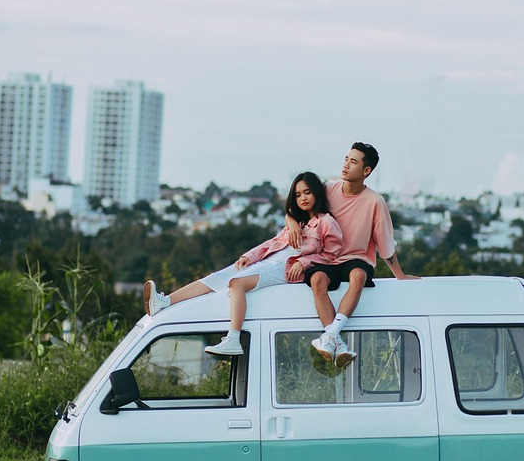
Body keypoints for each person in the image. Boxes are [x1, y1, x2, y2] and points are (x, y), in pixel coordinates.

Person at [143, 172, 343, 356]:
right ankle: (165, 302)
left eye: (307, 193)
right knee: (216, 277)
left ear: (317, 193)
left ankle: (233, 338)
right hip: (268, 260)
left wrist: (304, 262)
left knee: (236, 283)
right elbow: (273, 243)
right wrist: (250, 256)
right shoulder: (296, 222)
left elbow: (331, 255)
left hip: (286, 268)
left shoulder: (327, 222)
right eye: (298, 195)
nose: (303, 198)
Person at [289, 142, 418, 368]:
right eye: (346, 159)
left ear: (366, 170)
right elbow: (294, 208)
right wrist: (291, 224)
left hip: (356, 259)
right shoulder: (328, 190)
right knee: (317, 280)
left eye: (353, 162)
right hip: (326, 257)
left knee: (358, 275)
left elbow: (385, 243)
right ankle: (335, 341)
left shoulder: (375, 201)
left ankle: (331, 335)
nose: (346, 165)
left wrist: (400, 275)